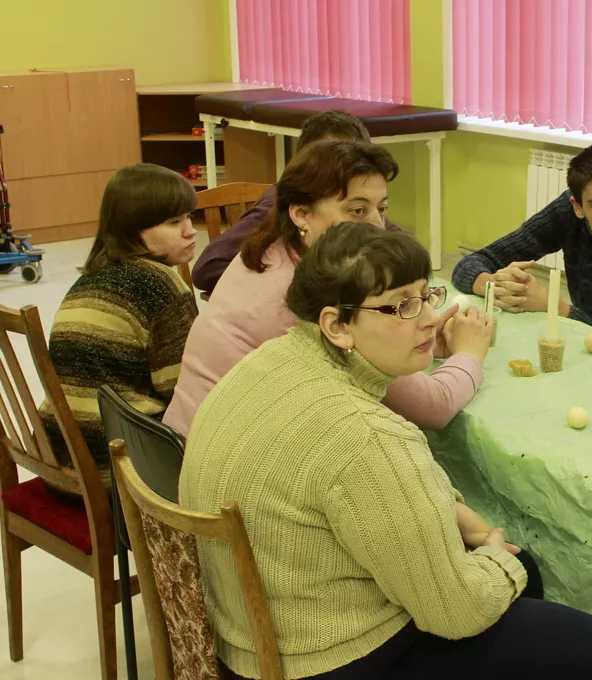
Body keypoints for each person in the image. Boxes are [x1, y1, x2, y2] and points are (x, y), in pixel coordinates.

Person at [179, 223, 592, 680]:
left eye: (426, 296)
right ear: (336, 325)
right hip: (324, 658)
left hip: (250, 638)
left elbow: (369, 494)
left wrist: (455, 513)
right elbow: (457, 613)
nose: (430, 319)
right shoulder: (366, 436)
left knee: (519, 574)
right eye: (402, 306)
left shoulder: (269, 361)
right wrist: (497, 557)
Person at [163, 140, 488, 438]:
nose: (378, 226)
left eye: (382, 209)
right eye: (357, 211)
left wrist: (416, 338)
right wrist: (470, 351)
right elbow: (434, 407)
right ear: (301, 213)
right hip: (219, 480)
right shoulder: (309, 299)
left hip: (184, 445)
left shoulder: (271, 249)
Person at [39, 164, 198, 487]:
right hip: (118, 471)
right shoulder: (161, 285)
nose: (191, 230)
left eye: (189, 217)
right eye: (174, 222)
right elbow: (182, 389)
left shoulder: (91, 278)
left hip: (58, 461)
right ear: (133, 228)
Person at [450, 142, 592, 338]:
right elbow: (472, 264)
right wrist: (493, 285)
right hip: (581, 338)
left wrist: (554, 306)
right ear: (578, 207)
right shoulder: (566, 212)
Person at [190, 109, 402, 295]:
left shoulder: (352, 203)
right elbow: (207, 268)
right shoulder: (278, 206)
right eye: (336, 161)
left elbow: (398, 246)